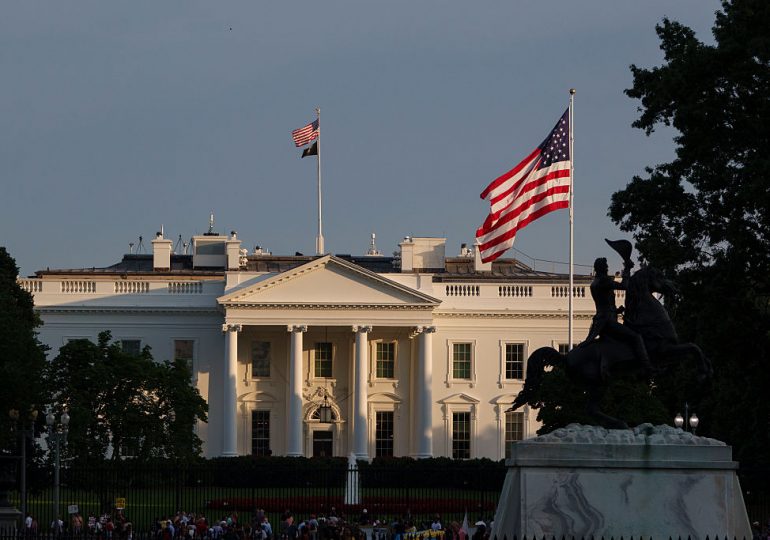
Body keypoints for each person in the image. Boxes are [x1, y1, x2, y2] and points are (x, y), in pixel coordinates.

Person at [581, 256, 652, 379]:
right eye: (606, 266)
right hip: (608, 322)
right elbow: (625, 286)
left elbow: (603, 304)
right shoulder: (604, 281)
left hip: (601, 319)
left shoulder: (595, 283)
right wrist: (628, 268)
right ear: (602, 268)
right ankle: (648, 368)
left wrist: (616, 310)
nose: (608, 268)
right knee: (636, 337)